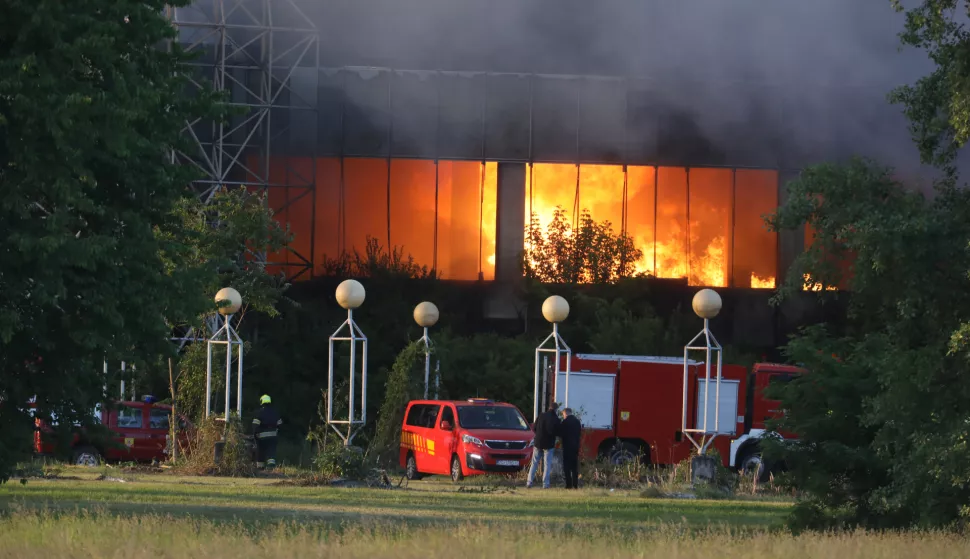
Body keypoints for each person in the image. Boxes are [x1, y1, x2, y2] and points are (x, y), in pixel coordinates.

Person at [526, 402, 560, 489]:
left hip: (538, 443)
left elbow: (534, 428)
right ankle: (545, 484)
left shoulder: (541, 415)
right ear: (556, 409)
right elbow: (557, 432)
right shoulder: (556, 419)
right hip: (549, 444)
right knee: (547, 464)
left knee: (534, 463)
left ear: (549, 408)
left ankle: (529, 482)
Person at [252, 394, 282, 469]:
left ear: (262, 402)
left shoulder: (259, 412)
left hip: (262, 437)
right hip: (273, 436)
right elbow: (280, 424)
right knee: (271, 453)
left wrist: (255, 435)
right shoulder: (275, 412)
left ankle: (260, 469)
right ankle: (271, 468)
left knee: (261, 453)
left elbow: (255, 425)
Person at [559, 408, 582, 489]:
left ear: (565, 413)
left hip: (567, 446)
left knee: (567, 467)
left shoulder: (565, 422)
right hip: (575, 446)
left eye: (563, 415)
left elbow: (561, 433)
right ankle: (575, 484)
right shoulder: (577, 421)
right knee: (574, 466)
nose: (563, 416)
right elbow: (579, 433)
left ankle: (568, 484)